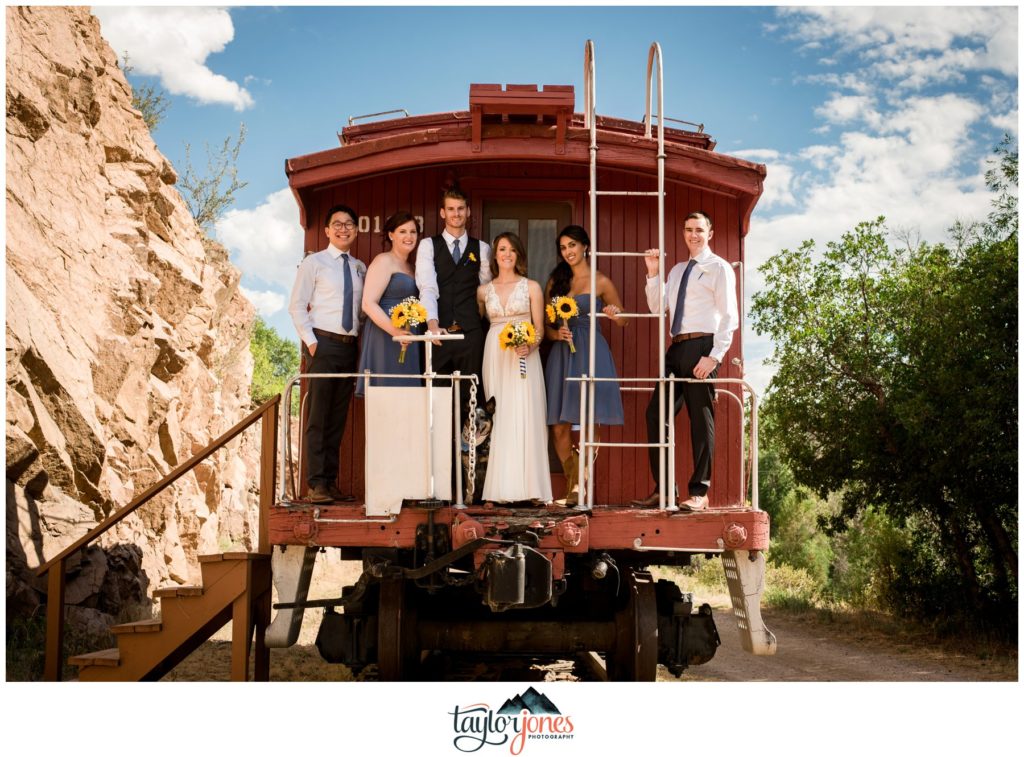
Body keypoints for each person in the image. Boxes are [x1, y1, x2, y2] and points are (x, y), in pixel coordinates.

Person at [634, 211, 738, 511]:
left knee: (699, 420)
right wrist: (653, 273)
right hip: (676, 348)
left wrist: (714, 356)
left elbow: (729, 317)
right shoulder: (678, 270)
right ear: (683, 233)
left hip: (703, 347)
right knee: (656, 414)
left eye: (699, 229)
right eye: (689, 229)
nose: (694, 234)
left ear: (710, 233)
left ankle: (699, 492)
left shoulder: (718, 268)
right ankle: (665, 490)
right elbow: (657, 307)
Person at [543, 225, 627, 507]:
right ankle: (574, 481)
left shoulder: (601, 281)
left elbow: (624, 318)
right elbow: (545, 324)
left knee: (591, 419)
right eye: (563, 247)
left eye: (572, 245)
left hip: (592, 351)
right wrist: (557, 334)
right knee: (558, 425)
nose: (568, 252)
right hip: (562, 352)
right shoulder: (557, 280)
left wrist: (615, 315)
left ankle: (577, 485)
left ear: (585, 247)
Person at [289, 204, 367, 503]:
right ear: (326, 230)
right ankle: (316, 484)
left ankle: (329, 483)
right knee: (318, 417)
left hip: (349, 348)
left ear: (356, 230)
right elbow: (296, 306)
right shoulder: (315, 263)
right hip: (322, 344)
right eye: (337, 224)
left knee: (337, 419)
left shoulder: (359, 267)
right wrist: (312, 344)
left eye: (349, 224)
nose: (343, 228)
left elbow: (359, 311)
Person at [477, 232, 552, 504]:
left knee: (525, 413)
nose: (506, 254)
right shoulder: (483, 291)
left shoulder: (531, 287)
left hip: (524, 355)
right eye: (501, 249)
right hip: (495, 355)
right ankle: (498, 489)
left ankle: (531, 488)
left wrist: (530, 346)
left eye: (511, 249)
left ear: (518, 254)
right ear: (495, 255)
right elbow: (479, 324)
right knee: (500, 415)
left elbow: (541, 330)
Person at [415, 188, 492, 414]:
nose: (456, 214)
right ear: (442, 213)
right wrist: (432, 324)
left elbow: (485, 293)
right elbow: (427, 287)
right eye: (451, 209)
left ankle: (467, 447)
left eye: (460, 209)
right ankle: (442, 449)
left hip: (471, 334)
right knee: (437, 397)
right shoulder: (428, 245)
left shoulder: (482, 249)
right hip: (439, 334)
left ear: (468, 211)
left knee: (472, 395)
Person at [356, 211, 423, 397]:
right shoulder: (383, 261)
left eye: (413, 232)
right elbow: (368, 303)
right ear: (391, 235)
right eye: (403, 231)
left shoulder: (413, 268)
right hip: (386, 335)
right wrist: (395, 332)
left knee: (406, 396)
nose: (409, 236)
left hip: (409, 335)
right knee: (387, 394)